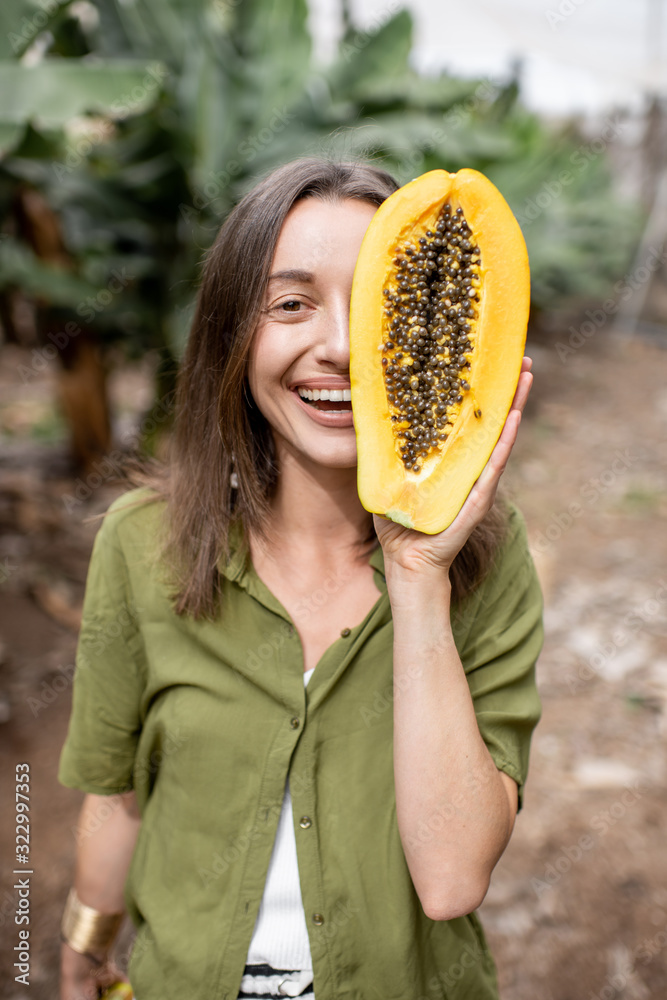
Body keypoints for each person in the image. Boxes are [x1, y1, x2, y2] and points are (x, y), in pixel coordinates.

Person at [58, 158, 543, 1000]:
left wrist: (417, 574)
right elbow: (115, 792)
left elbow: (452, 878)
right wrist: (83, 945)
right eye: (290, 304)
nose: (341, 347)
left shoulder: (486, 563)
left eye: (376, 306)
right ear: (233, 336)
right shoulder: (139, 547)